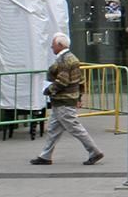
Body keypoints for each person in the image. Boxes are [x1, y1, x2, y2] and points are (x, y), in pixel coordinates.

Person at [31, 33, 105, 167]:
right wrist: (79, 97)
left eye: (53, 44)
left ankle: (94, 151)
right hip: (65, 100)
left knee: (75, 128)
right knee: (53, 129)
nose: (51, 46)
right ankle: (45, 155)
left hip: (63, 100)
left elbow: (62, 81)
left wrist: (49, 90)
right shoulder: (71, 58)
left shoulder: (64, 60)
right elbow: (80, 80)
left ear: (60, 45)